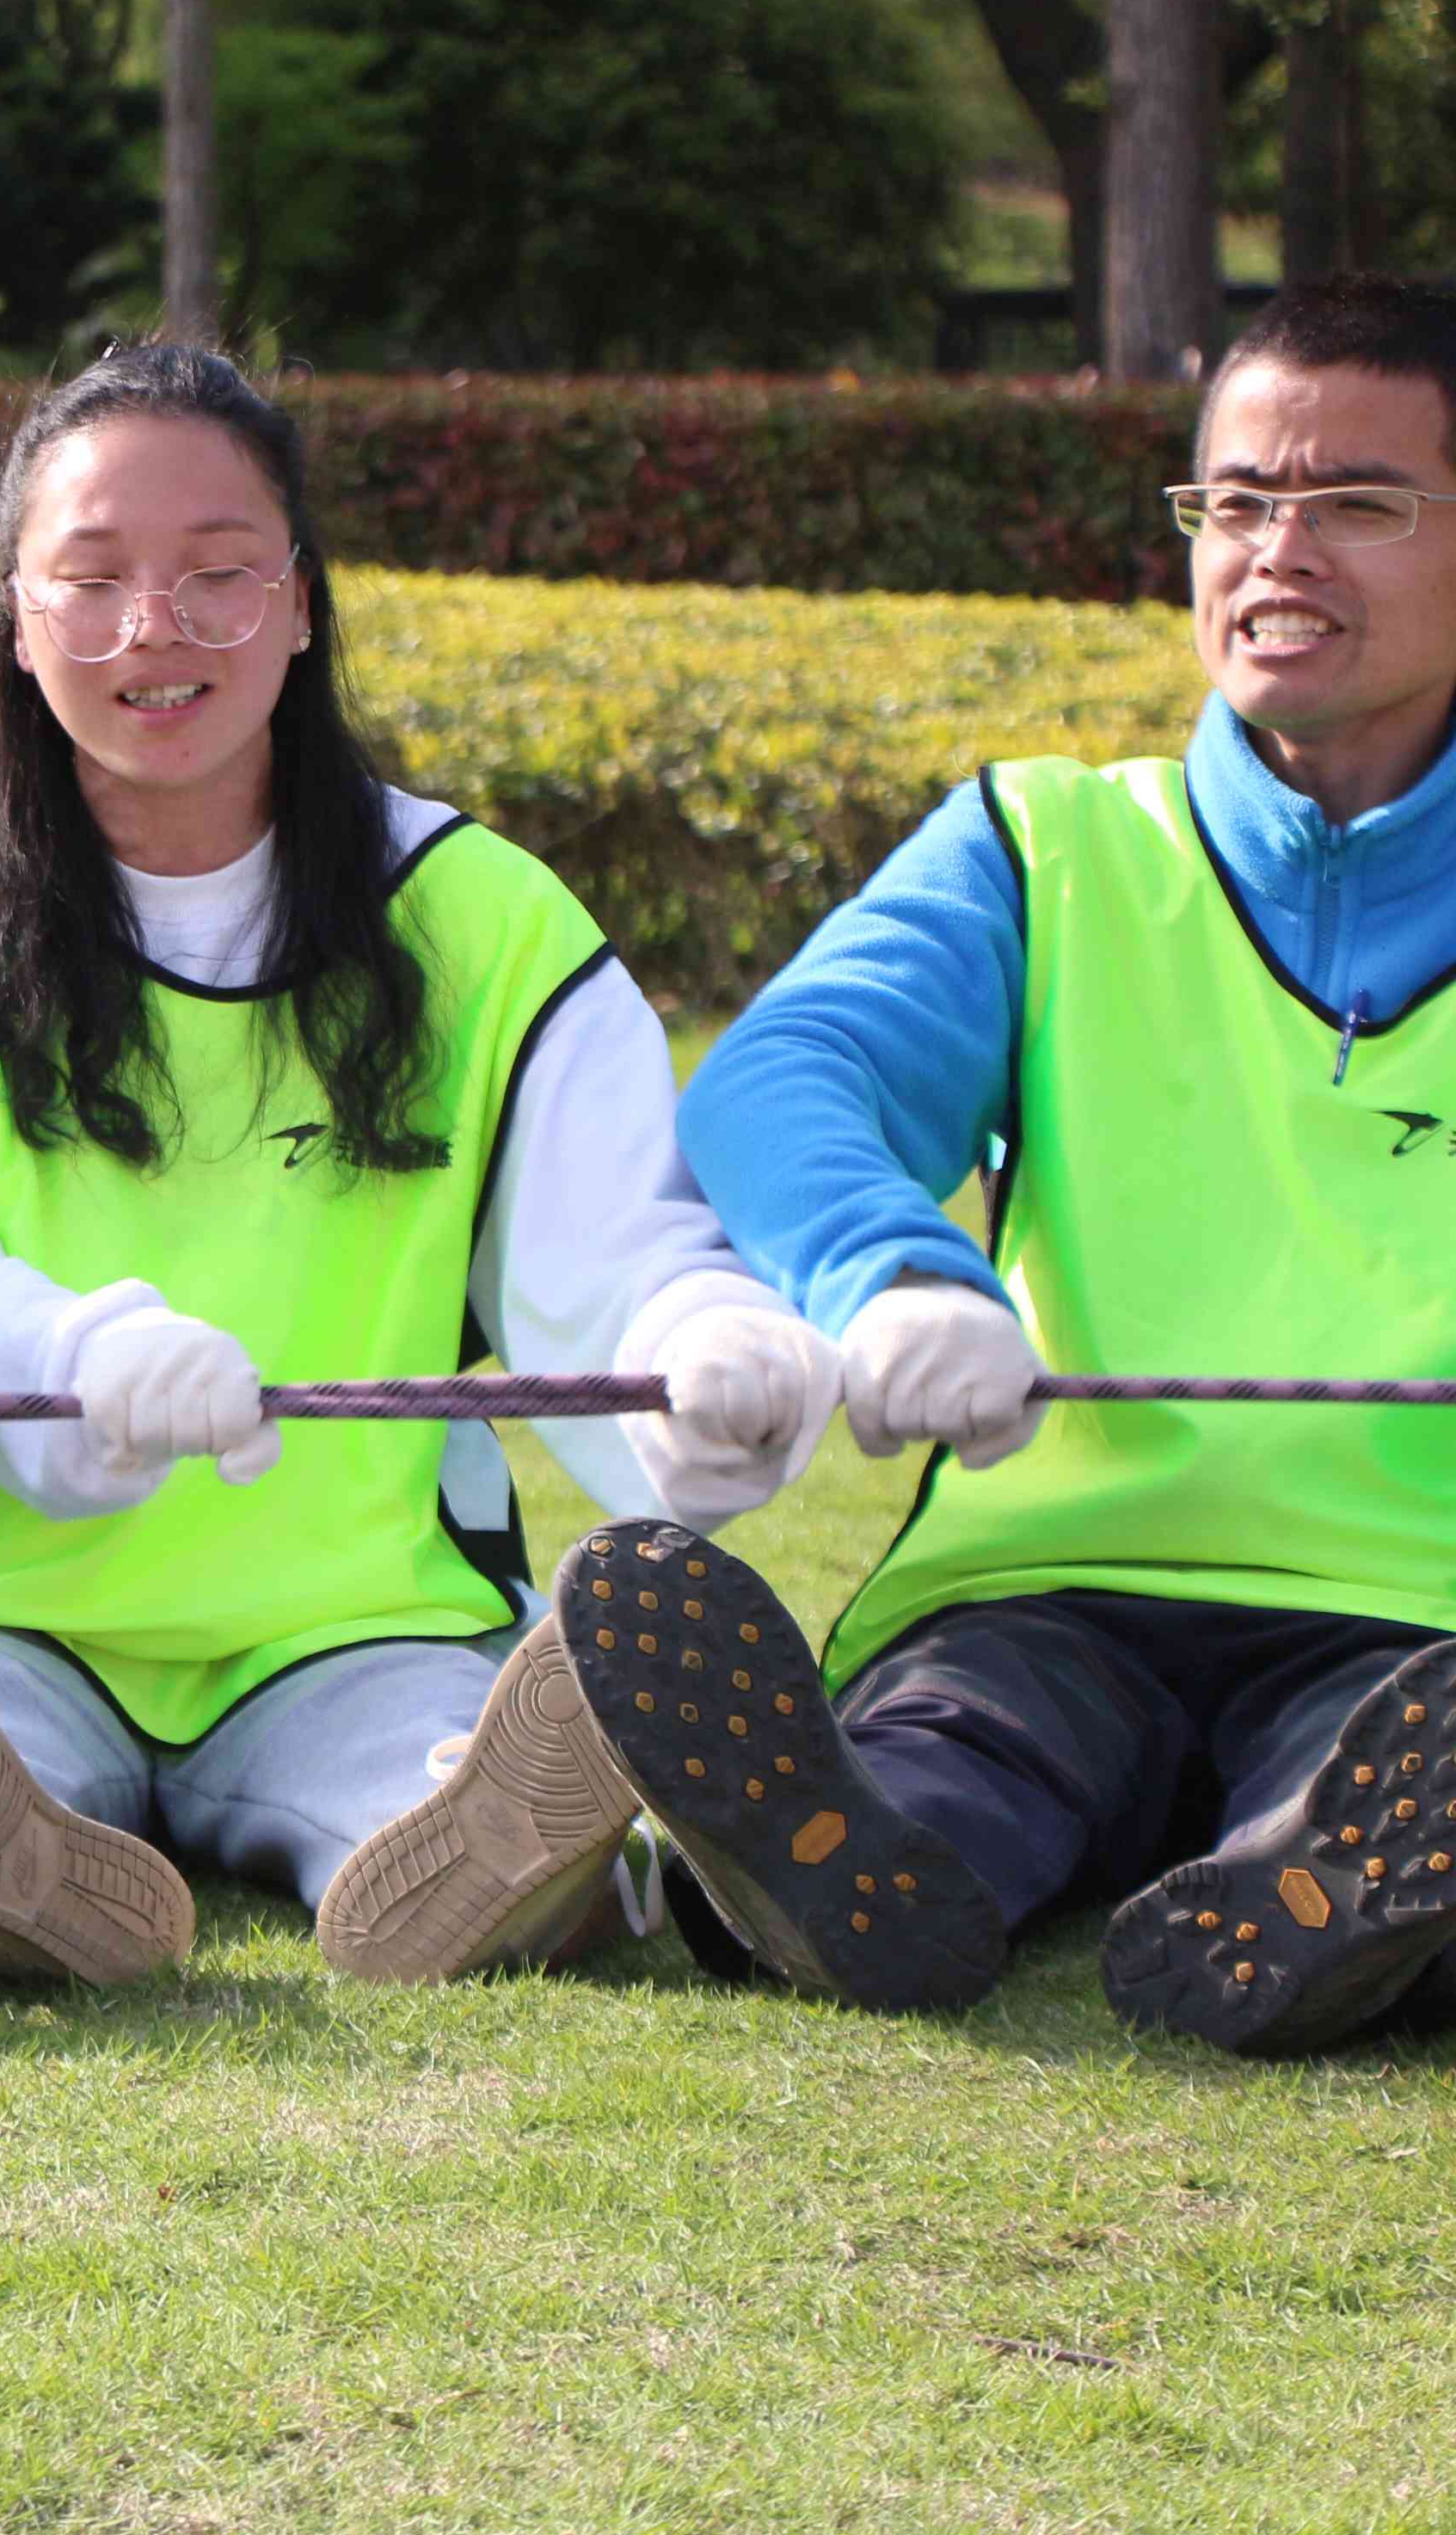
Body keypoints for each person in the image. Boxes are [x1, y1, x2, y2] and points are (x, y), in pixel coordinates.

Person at [0, 342, 838, 1986]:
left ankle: (503, 1845)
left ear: (302, 604)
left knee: (448, 1778)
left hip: (358, 1609)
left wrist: (703, 1347)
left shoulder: (489, 916)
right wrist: (81, 1359)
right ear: (18, 622)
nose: (153, 628)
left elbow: (609, 1257)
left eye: (217, 575)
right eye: (91, 580)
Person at [619, 271, 1456, 2053]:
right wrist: (895, 1276)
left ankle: (1328, 1898)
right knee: (958, 1748)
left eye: (1358, 504)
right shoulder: (1042, 841)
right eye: (1236, 501)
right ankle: (828, 1862)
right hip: (1043, 1578)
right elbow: (782, 1079)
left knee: (1392, 1763)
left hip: (1418, 1617)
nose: (1277, 552)